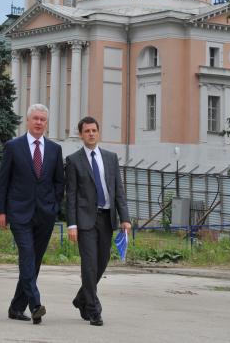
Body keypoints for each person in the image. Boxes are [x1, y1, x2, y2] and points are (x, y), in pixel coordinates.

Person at [0, 103, 64, 325]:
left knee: (34, 262)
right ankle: (35, 304)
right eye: (35, 118)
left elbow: (58, 182)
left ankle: (16, 308)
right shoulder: (13, 147)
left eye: (42, 119)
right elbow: (3, 182)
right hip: (19, 213)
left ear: (46, 123)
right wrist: (1, 211)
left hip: (45, 214)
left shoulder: (55, 149)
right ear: (27, 121)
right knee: (27, 256)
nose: (38, 122)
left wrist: (54, 205)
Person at [66, 116, 131, 326]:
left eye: (94, 130)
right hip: (85, 221)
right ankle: (94, 309)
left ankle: (81, 298)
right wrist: (72, 224)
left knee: (101, 263)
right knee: (89, 265)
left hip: (107, 218)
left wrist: (125, 218)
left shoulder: (111, 158)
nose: (91, 134)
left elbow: (118, 191)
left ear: (98, 132)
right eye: (87, 131)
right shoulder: (73, 160)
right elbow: (72, 195)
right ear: (81, 134)